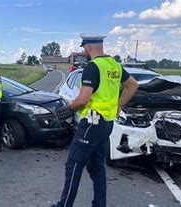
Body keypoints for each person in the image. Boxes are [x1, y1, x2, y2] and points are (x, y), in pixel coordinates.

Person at [53, 35, 138, 207]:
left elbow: (83, 100)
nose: (83, 50)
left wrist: (70, 107)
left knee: (74, 165)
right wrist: (118, 106)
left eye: (84, 47)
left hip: (92, 123)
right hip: (106, 123)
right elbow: (133, 85)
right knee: (96, 168)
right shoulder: (114, 65)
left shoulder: (93, 66)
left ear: (89, 47)